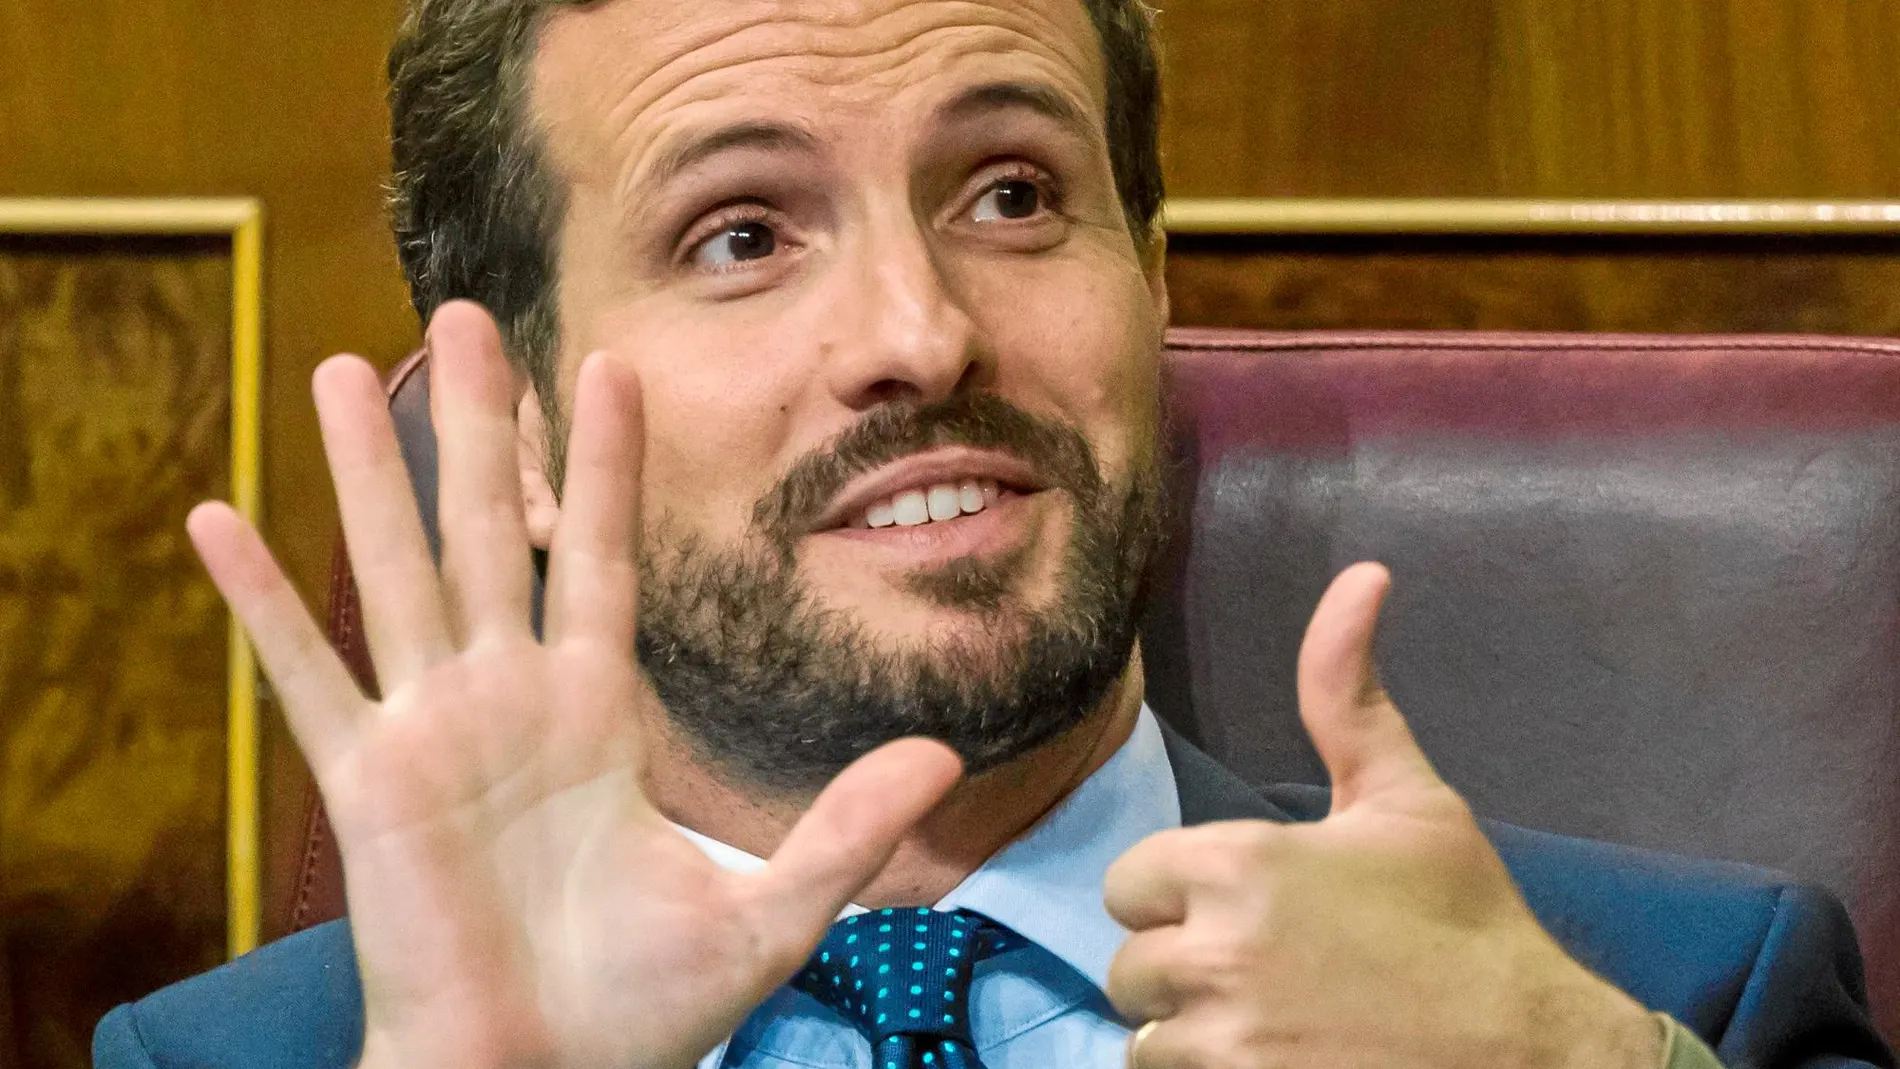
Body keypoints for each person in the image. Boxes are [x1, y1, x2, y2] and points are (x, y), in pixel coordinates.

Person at [93, 0, 1893, 1067]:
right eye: (741, 234)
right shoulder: (241, 1065)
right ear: (531, 430)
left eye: (1014, 193)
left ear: (1150, 278)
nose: (918, 332)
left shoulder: (1666, 1001)